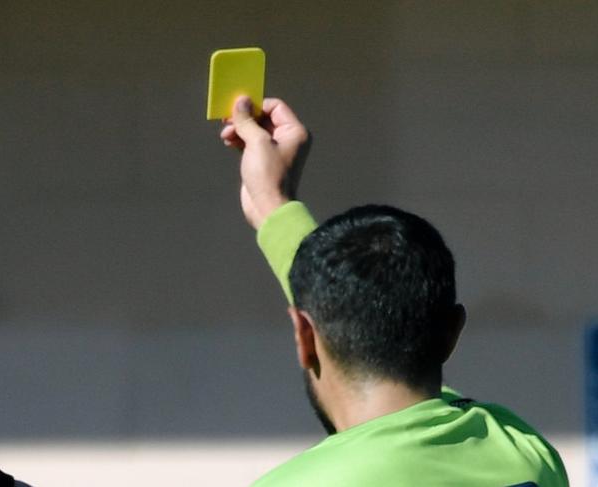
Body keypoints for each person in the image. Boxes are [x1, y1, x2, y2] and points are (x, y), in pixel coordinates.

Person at [220, 96, 569, 486]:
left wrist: (274, 202)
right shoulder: (526, 455)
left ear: (305, 336)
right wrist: (274, 207)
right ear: (452, 331)